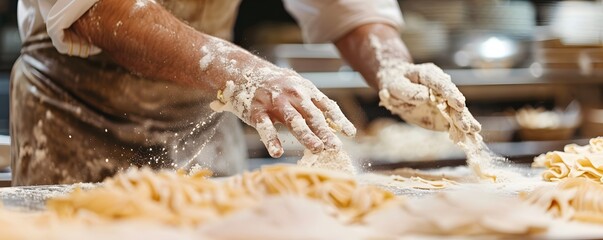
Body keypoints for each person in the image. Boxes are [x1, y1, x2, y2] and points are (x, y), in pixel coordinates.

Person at [11, 0, 480, 186]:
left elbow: (347, 7)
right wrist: (243, 74)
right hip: (74, 120)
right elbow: (101, 11)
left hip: (203, 125)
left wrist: (390, 64)